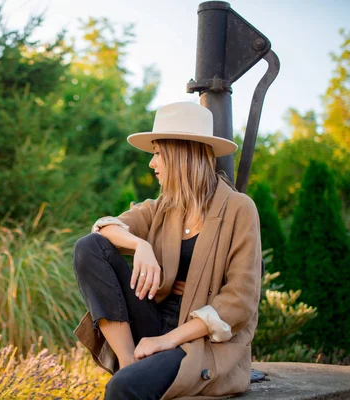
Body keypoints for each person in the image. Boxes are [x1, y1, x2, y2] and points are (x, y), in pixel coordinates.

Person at [72, 101, 262, 400]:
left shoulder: (239, 209)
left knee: (124, 389)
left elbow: (240, 301)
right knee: (89, 247)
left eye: (157, 153)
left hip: (199, 340)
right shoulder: (163, 207)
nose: (152, 163)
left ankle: (129, 374)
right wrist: (141, 245)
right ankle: (127, 361)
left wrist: (167, 340)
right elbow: (104, 228)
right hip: (153, 322)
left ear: (181, 153)